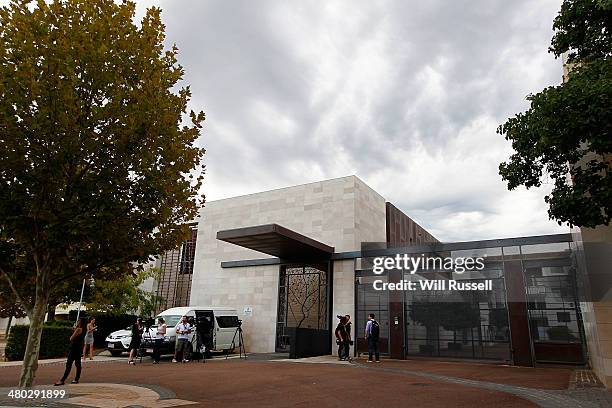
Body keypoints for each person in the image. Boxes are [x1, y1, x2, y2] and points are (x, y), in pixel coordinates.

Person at [54, 317, 87, 386]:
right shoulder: (84, 330)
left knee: (69, 364)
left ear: (81, 322)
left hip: (74, 348)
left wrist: (75, 329)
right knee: (78, 364)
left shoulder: (78, 329)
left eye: (78, 321)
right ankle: (76, 379)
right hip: (79, 348)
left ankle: (62, 380)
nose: (77, 322)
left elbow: (71, 338)